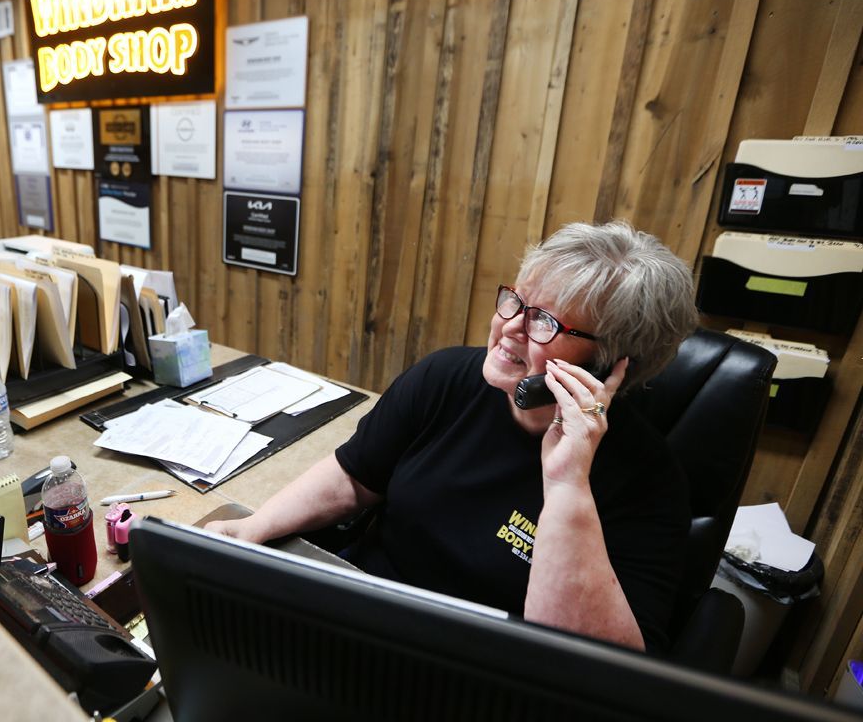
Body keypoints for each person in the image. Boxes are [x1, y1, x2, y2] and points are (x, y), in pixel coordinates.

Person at [208, 220, 699, 653]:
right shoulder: (446, 377)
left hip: (471, 674)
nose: (509, 327)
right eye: (516, 301)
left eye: (544, 321)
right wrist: (257, 527)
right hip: (360, 619)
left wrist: (568, 484)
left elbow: (592, 672)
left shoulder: (648, 480)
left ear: (609, 362)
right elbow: (353, 476)